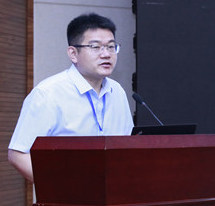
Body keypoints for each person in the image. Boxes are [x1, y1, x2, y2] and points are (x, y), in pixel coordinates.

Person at [8, 13, 134, 183]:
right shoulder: (48, 93)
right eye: (95, 47)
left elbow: (127, 146)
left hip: (113, 195)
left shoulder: (117, 92)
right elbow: (18, 154)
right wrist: (62, 188)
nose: (106, 54)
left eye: (111, 47)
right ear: (73, 53)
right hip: (66, 196)